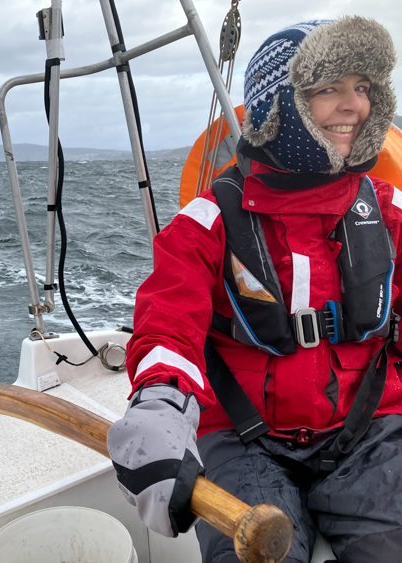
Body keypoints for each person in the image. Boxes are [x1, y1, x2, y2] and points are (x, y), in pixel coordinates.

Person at [108, 17, 402, 563]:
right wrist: (160, 403)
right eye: (328, 89)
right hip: (244, 439)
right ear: (277, 106)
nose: (352, 105)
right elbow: (170, 318)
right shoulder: (206, 222)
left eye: (362, 88)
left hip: (371, 432)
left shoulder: (388, 212)